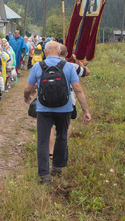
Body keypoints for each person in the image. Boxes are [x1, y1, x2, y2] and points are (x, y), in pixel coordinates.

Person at [24, 41, 91, 185]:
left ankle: (44, 176)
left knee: (42, 140)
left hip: (43, 109)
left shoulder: (37, 66)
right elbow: (78, 90)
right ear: (60, 52)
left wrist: (26, 98)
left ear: (45, 52)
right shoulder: (68, 67)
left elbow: (27, 88)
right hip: (65, 108)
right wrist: (86, 111)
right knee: (62, 136)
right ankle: (57, 168)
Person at [48, 44, 91, 157]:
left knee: (51, 126)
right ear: (67, 54)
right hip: (68, 100)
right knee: (67, 124)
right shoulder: (72, 66)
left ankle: (50, 152)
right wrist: (77, 60)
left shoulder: (46, 64)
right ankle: (62, 147)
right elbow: (87, 72)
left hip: (50, 99)